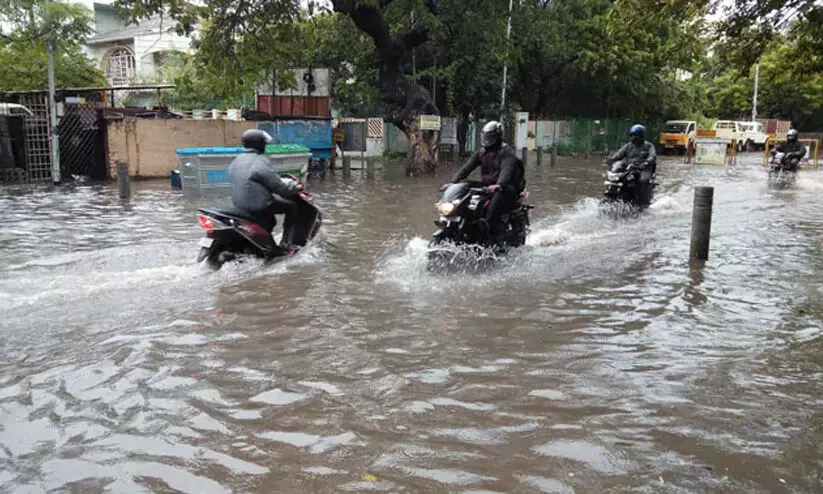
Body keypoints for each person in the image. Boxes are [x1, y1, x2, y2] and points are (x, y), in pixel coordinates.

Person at [446, 120, 525, 243]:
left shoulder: (507, 152)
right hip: (488, 186)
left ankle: (486, 224)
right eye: (486, 136)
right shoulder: (482, 152)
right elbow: (467, 168)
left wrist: (499, 185)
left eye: (490, 136)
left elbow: (507, 170)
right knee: (465, 184)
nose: (487, 139)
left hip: (506, 188)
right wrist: (453, 183)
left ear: (497, 136)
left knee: (498, 195)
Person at [228, 129, 302, 249]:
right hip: (259, 205)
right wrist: (295, 187)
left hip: (239, 206)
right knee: (291, 207)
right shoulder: (260, 161)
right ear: (260, 144)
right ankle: (287, 242)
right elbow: (280, 187)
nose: (265, 146)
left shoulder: (237, 160)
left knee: (270, 219)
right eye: (264, 143)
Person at [607, 124, 656, 202]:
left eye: (635, 135)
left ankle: (642, 202)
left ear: (641, 136)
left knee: (643, 181)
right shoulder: (628, 146)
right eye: (631, 135)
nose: (633, 137)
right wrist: (611, 159)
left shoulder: (649, 146)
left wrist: (646, 163)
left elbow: (652, 156)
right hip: (629, 168)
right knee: (615, 178)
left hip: (643, 169)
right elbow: (619, 154)